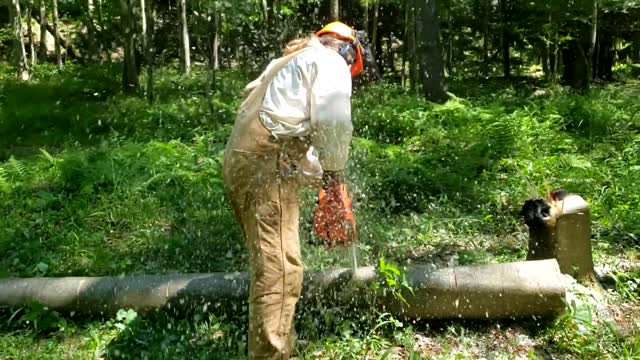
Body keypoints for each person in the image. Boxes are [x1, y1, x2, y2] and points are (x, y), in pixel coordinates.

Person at [222, 21, 364, 359]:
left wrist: (326, 186)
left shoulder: (287, 64)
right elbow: (333, 122)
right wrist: (334, 177)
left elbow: (283, 126)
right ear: (349, 50)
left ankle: (280, 344)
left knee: (269, 263)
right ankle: (271, 354)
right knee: (281, 270)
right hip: (265, 165)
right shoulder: (331, 61)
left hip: (244, 162)